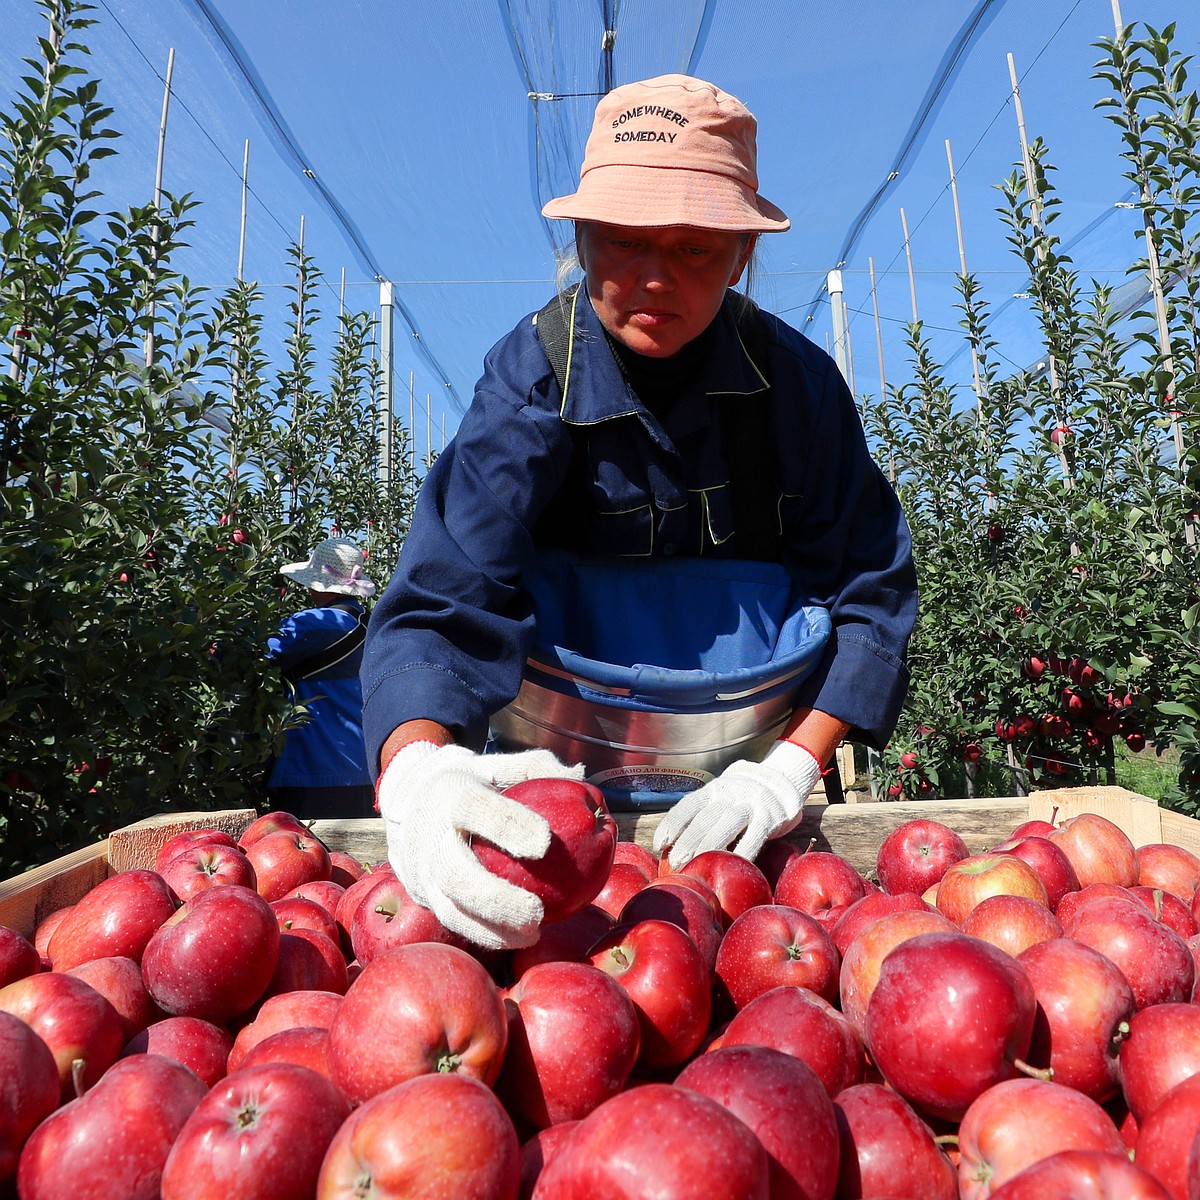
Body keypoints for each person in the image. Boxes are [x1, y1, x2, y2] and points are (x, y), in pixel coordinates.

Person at [362, 74, 918, 950]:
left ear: (742, 253)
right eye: (622, 241)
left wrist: (786, 772)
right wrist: (420, 774)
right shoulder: (530, 384)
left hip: (747, 812)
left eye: (696, 249)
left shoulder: (798, 393)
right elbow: (442, 599)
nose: (654, 277)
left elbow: (869, 591)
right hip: (540, 813)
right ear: (580, 240)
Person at [266, 536, 376, 819]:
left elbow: (250, 656)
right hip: (365, 771)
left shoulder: (309, 625)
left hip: (311, 769)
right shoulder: (372, 624)